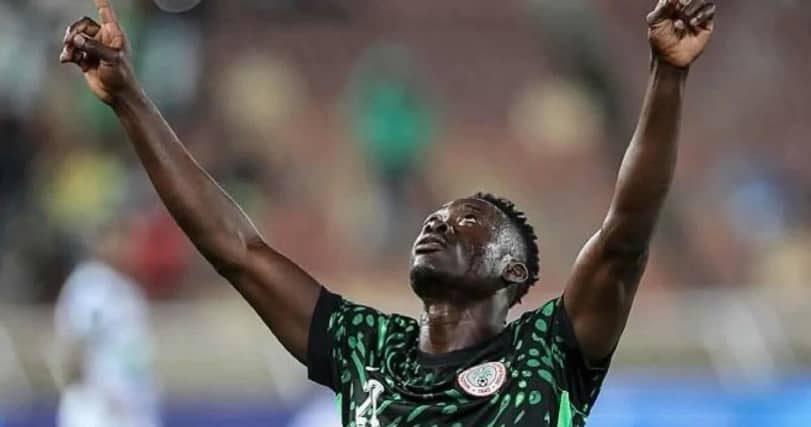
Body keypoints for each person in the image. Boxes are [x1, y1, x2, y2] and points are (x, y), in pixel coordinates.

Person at [59, 0, 715, 425]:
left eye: (468, 222)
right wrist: (128, 98)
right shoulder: (365, 348)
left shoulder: (549, 351)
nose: (437, 221)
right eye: (437, 217)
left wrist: (667, 74)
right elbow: (237, 250)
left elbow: (625, 235)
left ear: (512, 273)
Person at [53, 215, 161, 427]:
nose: (125, 247)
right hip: (99, 410)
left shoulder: (127, 289)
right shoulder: (90, 286)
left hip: (131, 407)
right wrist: (88, 393)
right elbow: (73, 345)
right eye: (117, 239)